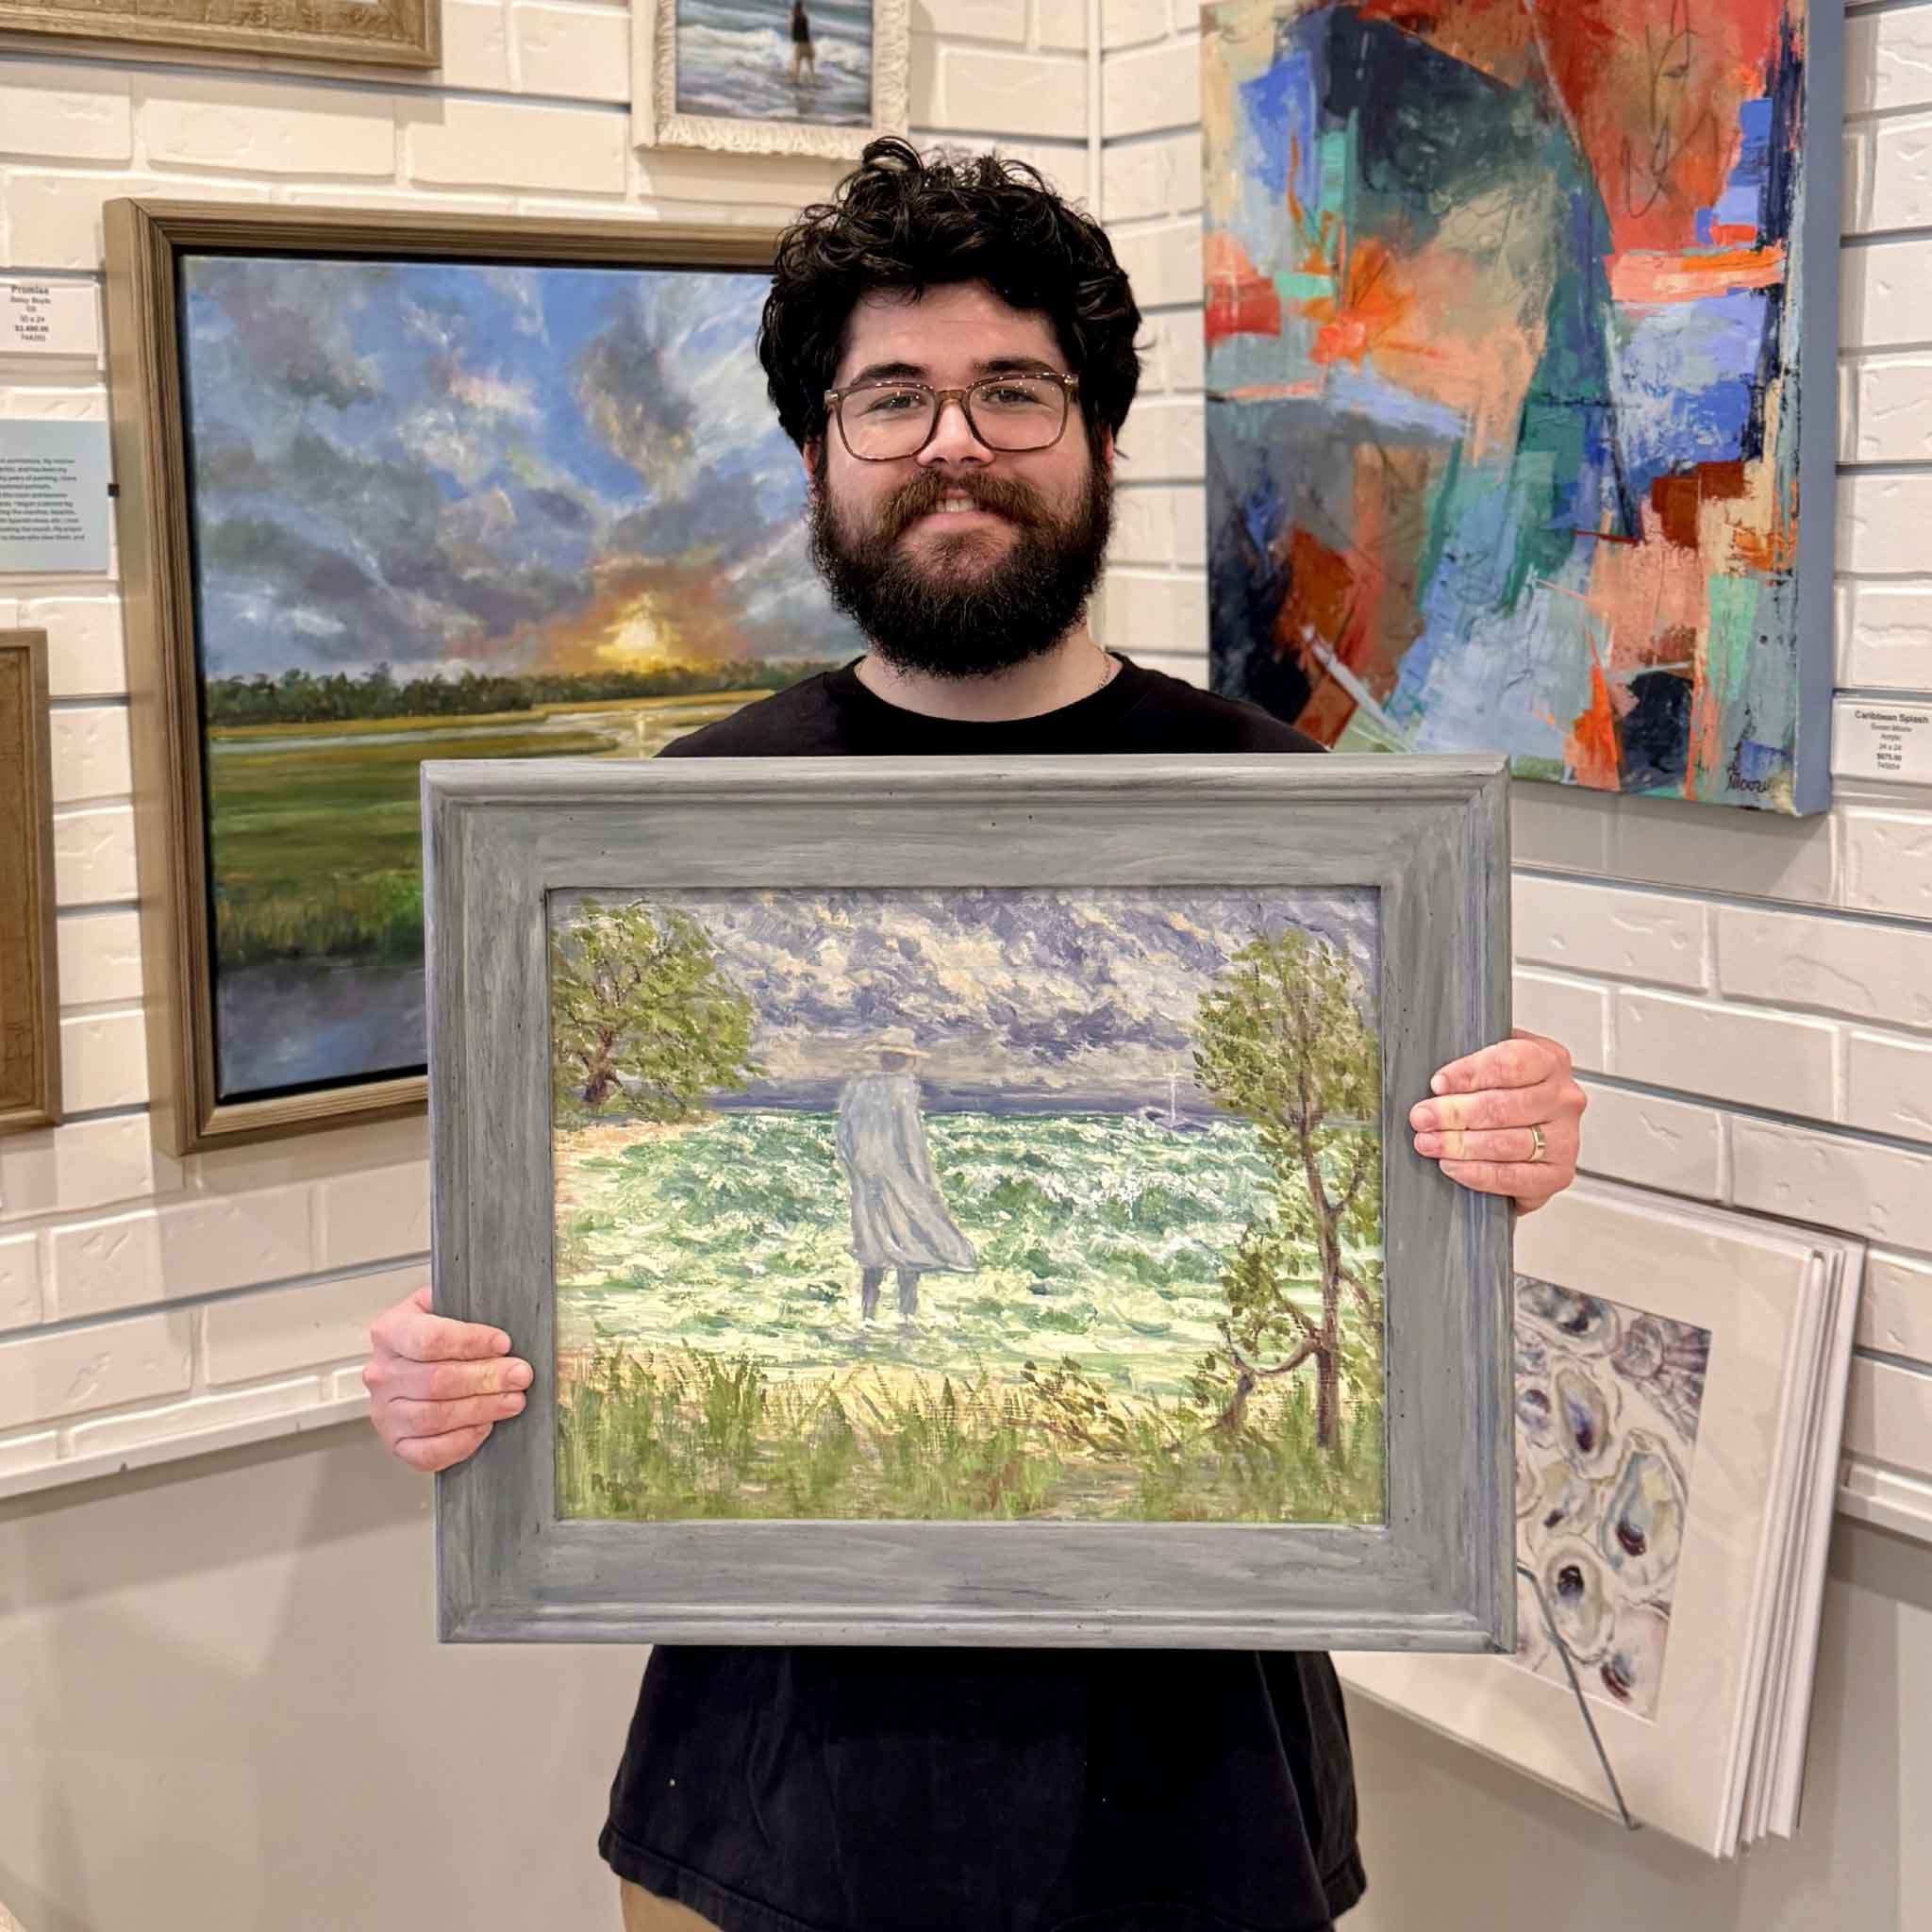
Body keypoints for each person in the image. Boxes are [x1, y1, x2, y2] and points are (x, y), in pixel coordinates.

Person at [365, 140, 1588, 1932]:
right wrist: (448, 1364)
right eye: (894, 399)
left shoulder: (1288, 814)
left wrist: (1500, 1150)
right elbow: (574, 1259)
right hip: (771, 1801)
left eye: (1012, 390)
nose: (954, 440)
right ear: (820, 457)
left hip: (1202, 1792)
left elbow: (1397, 1243)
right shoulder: (669, 833)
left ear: (1093, 437)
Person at [836, 1035, 975, 1321]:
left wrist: (855, 1172)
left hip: (866, 1180)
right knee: (909, 1248)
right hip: (901, 1178)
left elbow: (843, 1138)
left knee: (873, 1250)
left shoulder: (857, 1088)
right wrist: (924, 1182)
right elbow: (911, 1142)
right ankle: (906, 1319)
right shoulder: (904, 1089)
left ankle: (868, 1317)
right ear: (904, 1060)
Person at [789, 2, 815, 85]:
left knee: (797, 64)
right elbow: (807, 27)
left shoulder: (793, 18)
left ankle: (795, 81)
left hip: (799, 44)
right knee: (810, 64)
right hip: (807, 44)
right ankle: (813, 81)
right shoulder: (805, 17)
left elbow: (792, 31)